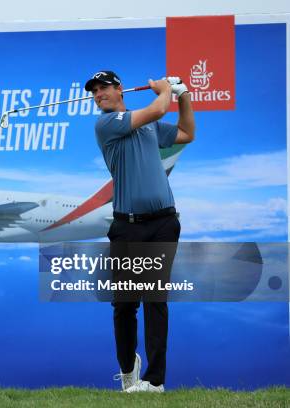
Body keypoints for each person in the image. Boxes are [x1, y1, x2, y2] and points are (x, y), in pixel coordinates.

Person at [84, 71, 195, 393]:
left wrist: (184, 94)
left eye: (103, 87)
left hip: (163, 222)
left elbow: (187, 132)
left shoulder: (147, 126)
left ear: (119, 88)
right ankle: (127, 367)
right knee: (124, 303)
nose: (98, 94)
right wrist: (165, 91)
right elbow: (159, 108)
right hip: (127, 227)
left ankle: (155, 381)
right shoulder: (106, 124)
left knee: (155, 299)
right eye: (94, 91)